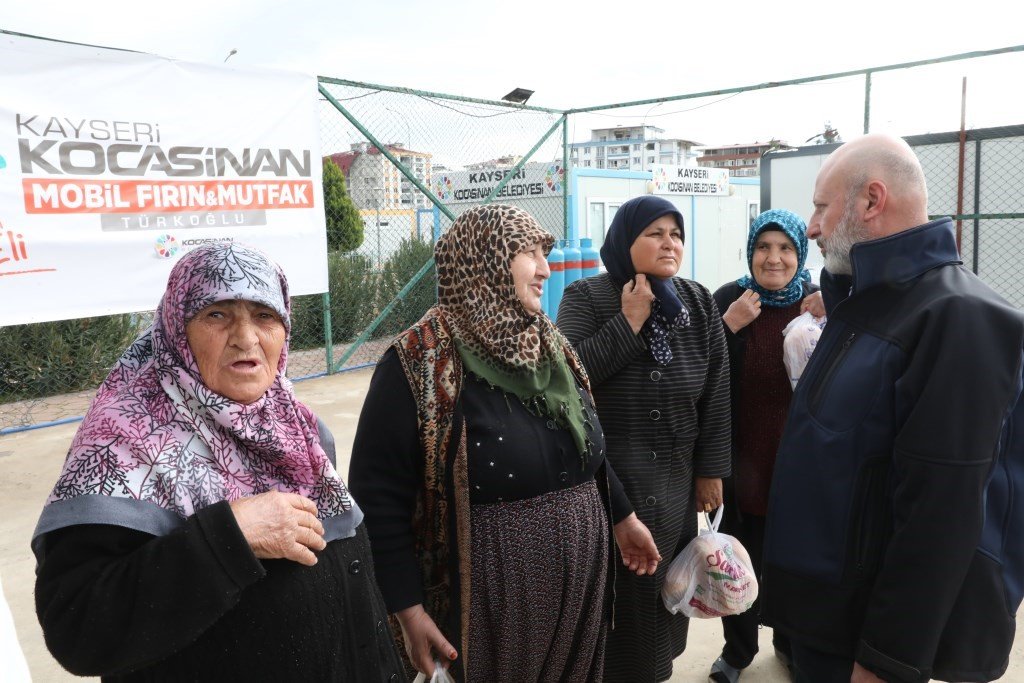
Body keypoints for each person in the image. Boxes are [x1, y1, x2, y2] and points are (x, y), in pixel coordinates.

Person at [32, 243, 403, 681]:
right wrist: (230, 537)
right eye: (217, 314)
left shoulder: (297, 428)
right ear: (177, 331)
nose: (246, 338)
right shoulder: (122, 450)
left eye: (264, 316)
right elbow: (79, 629)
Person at [348, 204, 660, 682]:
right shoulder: (417, 362)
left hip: (580, 575)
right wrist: (409, 611)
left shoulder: (549, 344)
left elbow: (582, 446)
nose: (544, 269)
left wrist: (623, 516)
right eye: (527, 253)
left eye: (545, 252)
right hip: (491, 597)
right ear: (484, 259)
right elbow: (379, 499)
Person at [761, 134, 1024, 683]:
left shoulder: (957, 317)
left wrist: (886, 661)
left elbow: (942, 511)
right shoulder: (865, 303)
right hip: (824, 625)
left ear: (871, 201)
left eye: (820, 206)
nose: (811, 226)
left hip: (865, 645)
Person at [557, 195, 732, 682]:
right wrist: (629, 321)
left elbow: (716, 392)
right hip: (606, 488)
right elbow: (568, 382)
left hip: (675, 487)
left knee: (661, 605)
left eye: (675, 233)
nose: (669, 242)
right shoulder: (586, 298)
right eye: (654, 233)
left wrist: (710, 469)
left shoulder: (696, 303)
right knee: (611, 612)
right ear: (624, 240)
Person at [708, 208, 820, 683]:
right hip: (740, 462)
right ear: (750, 251)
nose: (773, 259)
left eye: (785, 249)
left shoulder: (820, 302)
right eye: (763, 247)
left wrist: (832, 306)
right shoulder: (728, 300)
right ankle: (738, 651)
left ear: (800, 254)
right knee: (737, 559)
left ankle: (790, 643)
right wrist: (727, 326)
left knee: (796, 563)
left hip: (800, 466)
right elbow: (700, 374)